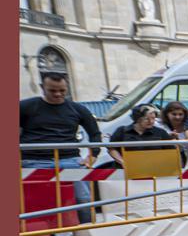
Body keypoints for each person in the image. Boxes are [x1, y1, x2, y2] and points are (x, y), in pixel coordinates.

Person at [19, 72, 101, 222]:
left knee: (84, 199)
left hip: (70, 160)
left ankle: (87, 235)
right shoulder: (25, 106)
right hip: (34, 161)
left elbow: (95, 133)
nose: (58, 94)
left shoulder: (78, 109)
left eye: (62, 90)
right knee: (39, 204)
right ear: (42, 87)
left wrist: (92, 156)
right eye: (52, 90)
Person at [108, 105, 173, 167]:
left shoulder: (160, 132)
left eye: (153, 118)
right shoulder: (122, 131)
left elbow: (171, 151)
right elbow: (112, 148)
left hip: (153, 169)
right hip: (126, 170)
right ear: (137, 119)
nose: (151, 121)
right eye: (146, 119)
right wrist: (122, 161)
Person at [161, 100, 188, 167]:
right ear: (167, 114)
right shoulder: (162, 126)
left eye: (180, 114)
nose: (177, 117)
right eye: (174, 114)